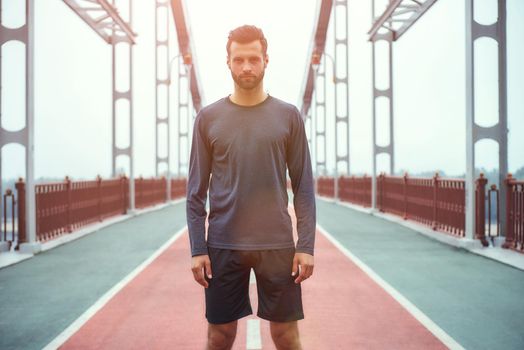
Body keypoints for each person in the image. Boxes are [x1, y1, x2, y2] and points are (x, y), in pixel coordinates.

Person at [186, 24, 316, 350]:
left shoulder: (288, 116)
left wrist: (307, 246)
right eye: (239, 59)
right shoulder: (208, 118)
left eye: (254, 59)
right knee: (220, 336)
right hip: (223, 244)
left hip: (277, 245)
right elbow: (195, 193)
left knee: (286, 336)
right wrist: (198, 249)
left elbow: (303, 186)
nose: (247, 66)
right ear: (228, 62)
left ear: (266, 61)